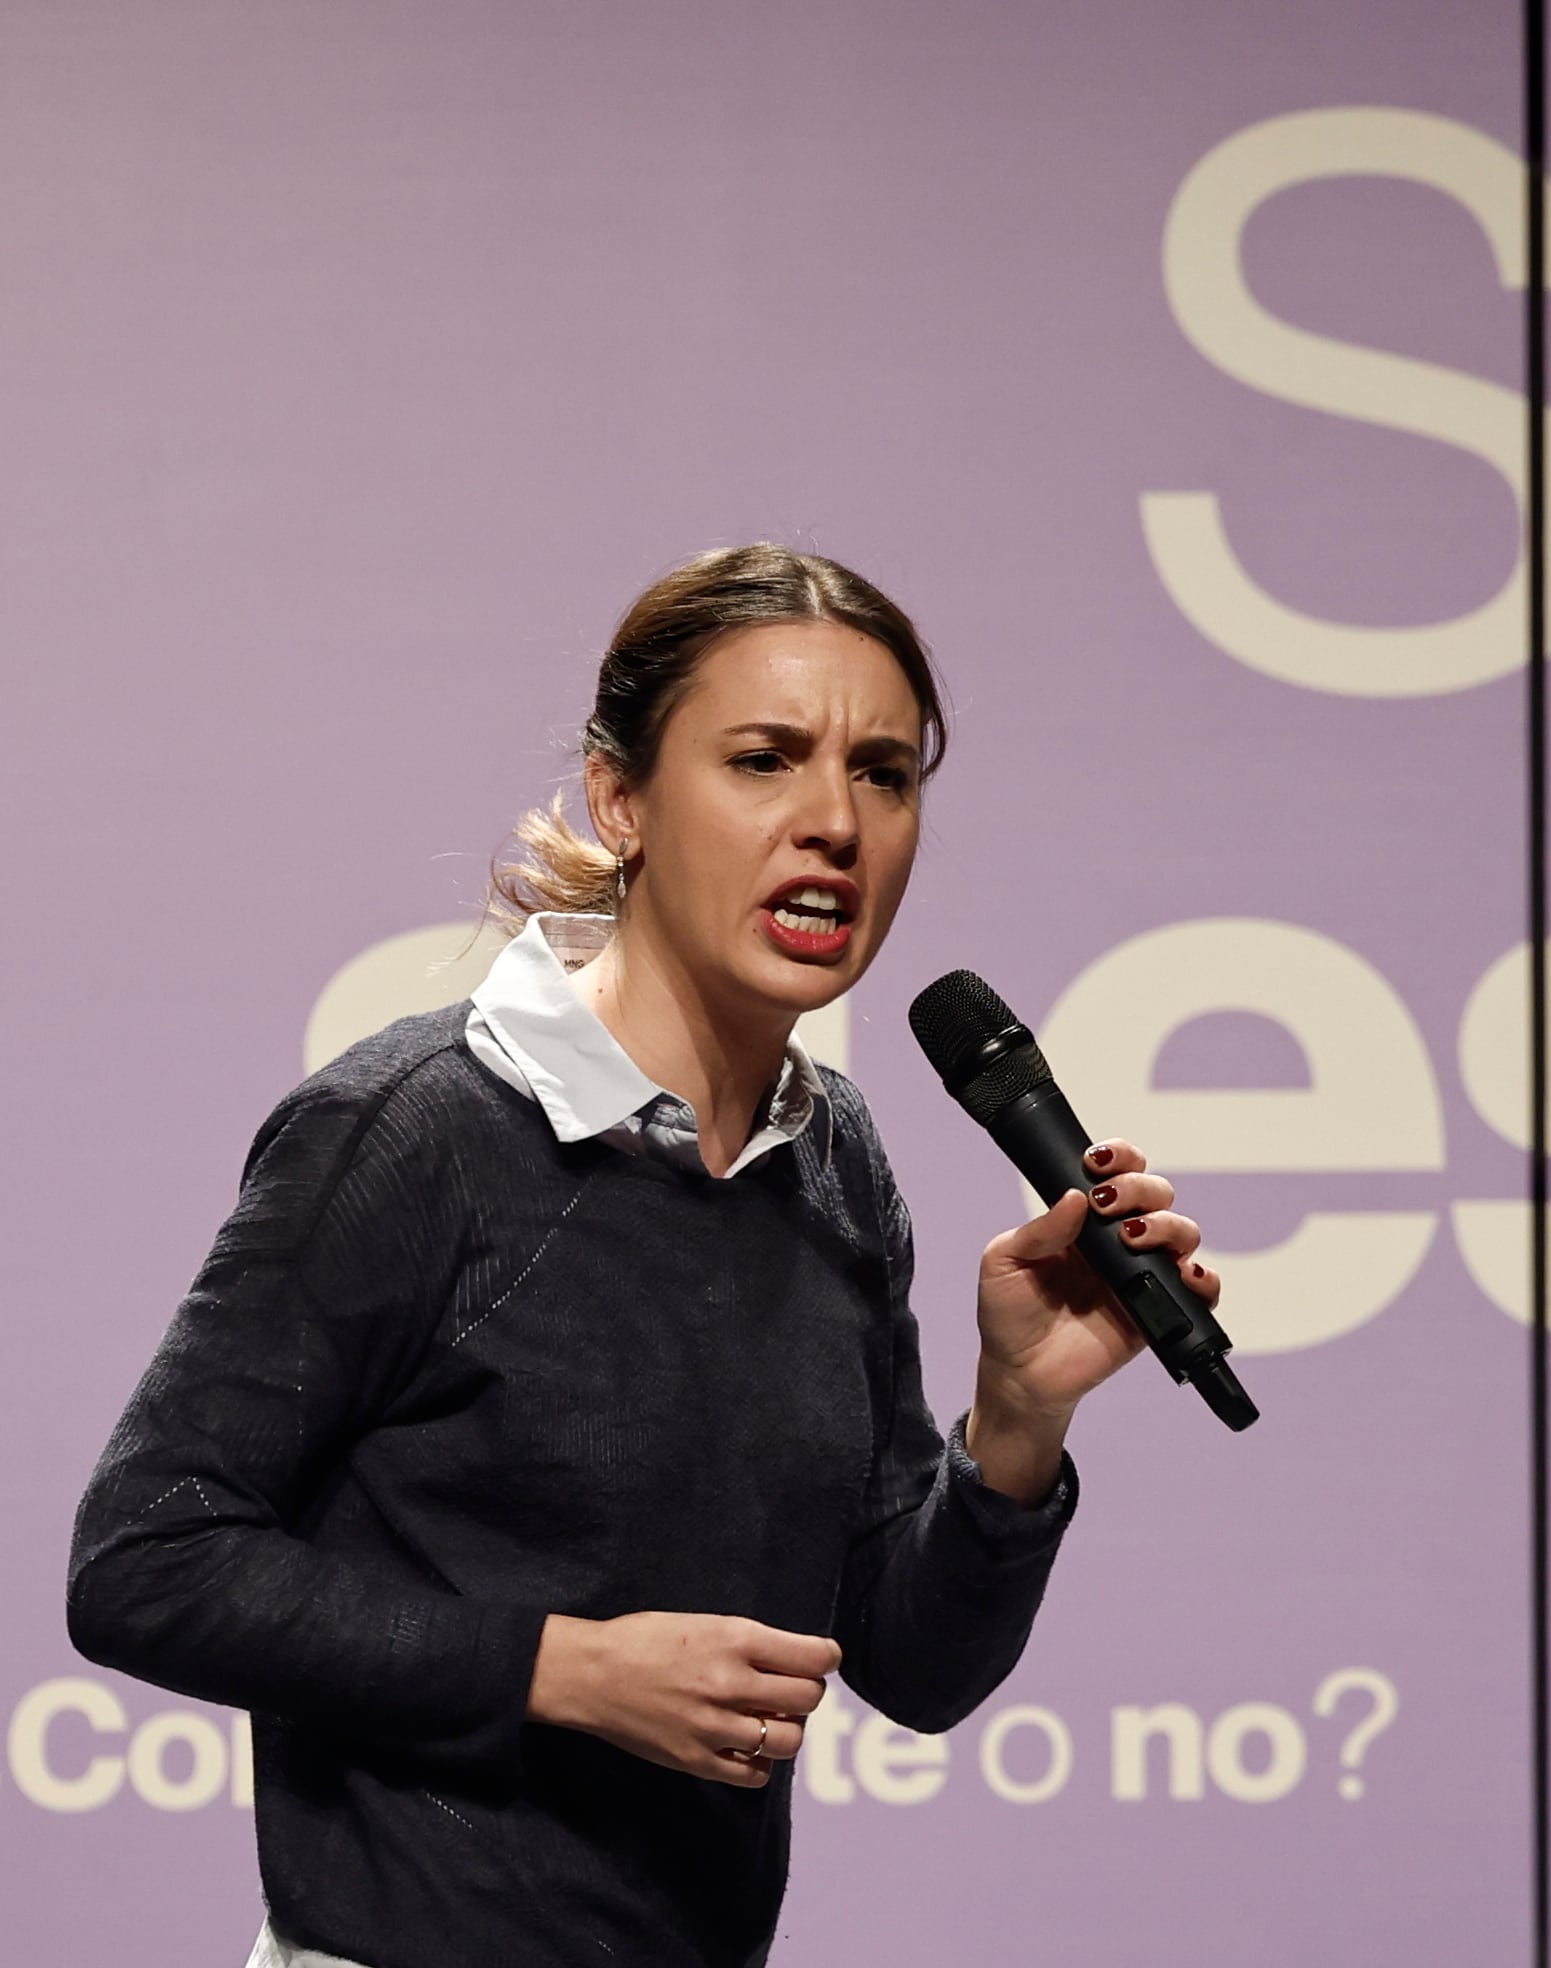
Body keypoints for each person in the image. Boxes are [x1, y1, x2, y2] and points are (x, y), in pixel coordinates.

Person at [65, 544, 1216, 1968]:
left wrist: (1017, 1422)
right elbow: (145, 1559)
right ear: (622, 801)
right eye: (763, 760)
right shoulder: (418, 1129)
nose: (835, 825)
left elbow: (916, 1669)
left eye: (885, 773)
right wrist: (562, 1669)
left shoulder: (833, 1160)